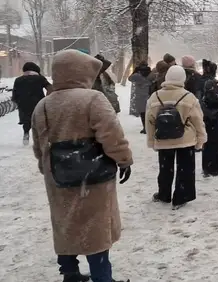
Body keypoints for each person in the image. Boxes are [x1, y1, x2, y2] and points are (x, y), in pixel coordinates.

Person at [30, 50, 133, 282]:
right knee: (94, 226)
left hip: (57, 176)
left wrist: (45, 168)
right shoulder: (92, 99)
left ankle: (69, 272)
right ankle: (102, 277)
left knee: (65, 223)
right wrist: (124, 159)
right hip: (93, 176)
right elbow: (111, 135)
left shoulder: (43, 105)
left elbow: (39, 144)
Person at [146, 65, 207, 210]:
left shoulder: (155, 96)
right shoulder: (188, 97)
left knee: (165, 169)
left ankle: (164, 194)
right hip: (185, 139)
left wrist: (151, 140)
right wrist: (201, 139)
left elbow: (149, 121)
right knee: (185, 168)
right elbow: (198, 120)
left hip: (163, 139)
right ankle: (181, 196)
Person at [12, 62, 52, 146]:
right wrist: (47, 98)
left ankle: (26, 133)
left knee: (27, 120)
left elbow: (15, 94)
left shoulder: (18, 80)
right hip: (38, 102)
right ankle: (39, 139)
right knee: (39, 120)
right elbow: (50, 88)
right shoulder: (40, 78)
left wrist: (18, 101)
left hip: (24, 104)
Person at [199, 59, 218, 177]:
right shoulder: (212, 83)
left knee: (206, 142)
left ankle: (206, 166)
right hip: (213, 116)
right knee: (215, 142)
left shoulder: (199, 81)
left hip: (203, 115)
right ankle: (214, 167)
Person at [127, 62, 152, 134]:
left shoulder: (137, 75)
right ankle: (149, 127)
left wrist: (135, 71)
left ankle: (145, 128)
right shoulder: (150, 73)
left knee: (142, 112)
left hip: (140, 95)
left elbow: (130, 78)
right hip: (149, 94)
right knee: (149, 112)